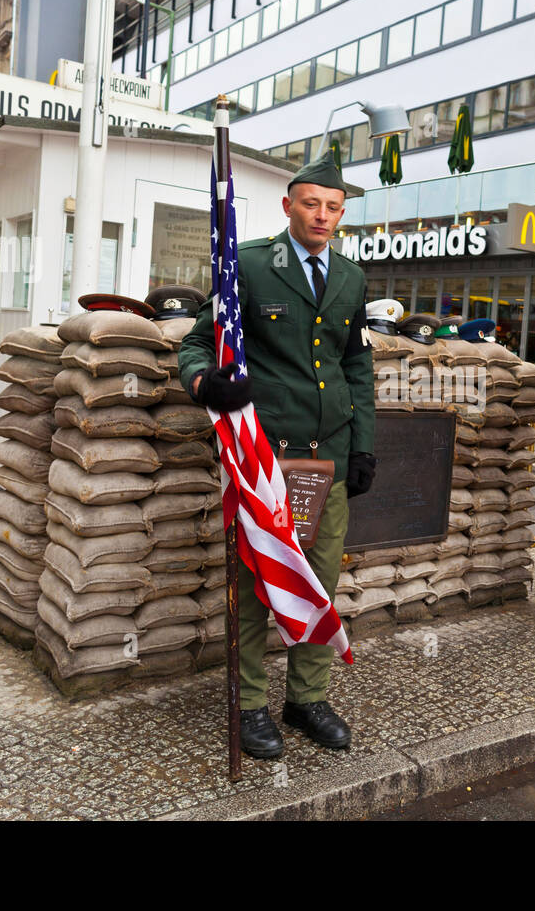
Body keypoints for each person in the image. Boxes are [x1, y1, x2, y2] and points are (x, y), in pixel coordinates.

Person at [178, 153, 376, 758]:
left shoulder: (350, 277)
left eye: (334, 207)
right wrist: (204, 385)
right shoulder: (251, 267)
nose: (323, 215)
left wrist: (363, 444)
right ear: (288, 205)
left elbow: (355, 364)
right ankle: (250, 705)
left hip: (329, 459)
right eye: (311, 203)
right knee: (257, 579)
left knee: (318, 581)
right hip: (265, 461)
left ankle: (307, 698)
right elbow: (196, 343)